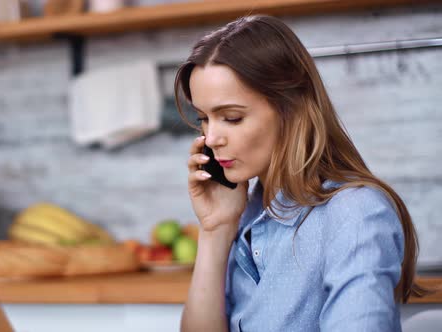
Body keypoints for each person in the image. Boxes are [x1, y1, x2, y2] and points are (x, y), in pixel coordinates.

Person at [174, 15, 428, 332]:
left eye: (232, 117)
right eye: (203, 119)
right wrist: (215, 230)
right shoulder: (242, 217)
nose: (211, 138)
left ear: (290, 109)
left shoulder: (356, 213)